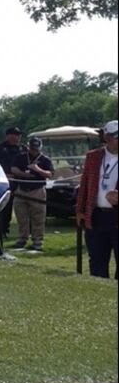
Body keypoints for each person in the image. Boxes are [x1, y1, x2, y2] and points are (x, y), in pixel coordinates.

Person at [75, 120, 118, 279]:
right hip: (96, 216)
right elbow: (84, 185)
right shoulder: (93, 157)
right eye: (116, 136)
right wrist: (80, 211)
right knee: (97, 262)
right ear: (106, 137)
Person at [10, 137, 53, 252]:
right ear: (28, 147)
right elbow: (13, 169)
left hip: (37, 190)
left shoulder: (45, 159)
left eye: (36, 148)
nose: (34, 151)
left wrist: (38, 169)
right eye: (32, 148)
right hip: (21, 189)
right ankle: (22, 239)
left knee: (38, 216)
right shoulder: (21, 156)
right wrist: (24, 175)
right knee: (21, 216)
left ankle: (37, 241)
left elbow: (49, 174)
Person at [0, 126, 27, 242]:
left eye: (19, 135)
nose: (17, 137)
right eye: (15, 135)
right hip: (6, 180)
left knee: (24, 208)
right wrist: (4, 174)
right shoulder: (0, 149)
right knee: (5, 208)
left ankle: (25, 233)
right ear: (8, 136)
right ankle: (2, 231)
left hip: (21, 181)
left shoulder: (23, 149)